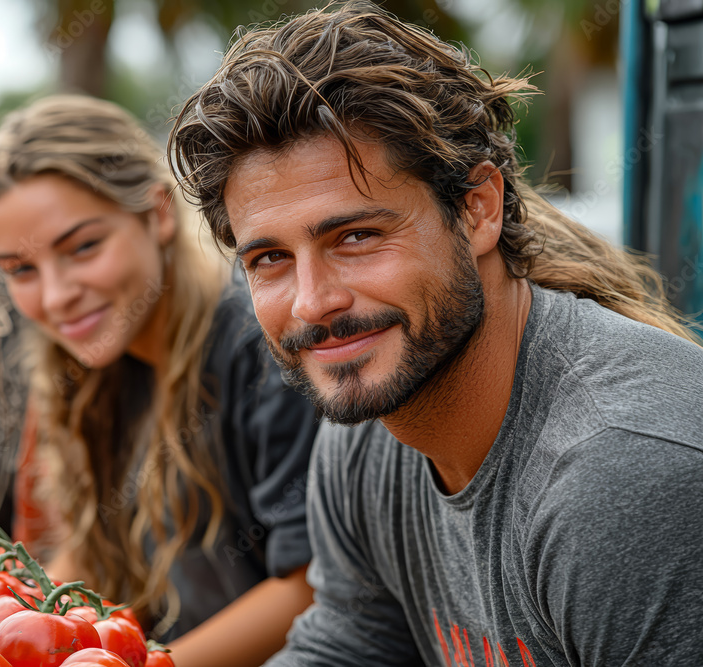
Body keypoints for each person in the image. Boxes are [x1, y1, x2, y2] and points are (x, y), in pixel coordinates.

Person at [169, 4, 703, 666]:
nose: (313, 302)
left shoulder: (620, 475)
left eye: (356, 236)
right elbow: (349, 645)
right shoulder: (363, 434)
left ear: (478, 208)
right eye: (269, 259)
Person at [0, 94, 320, 666]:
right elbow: (90, 556)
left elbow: (310, 590)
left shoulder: (258, 348)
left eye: (83, 247)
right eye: (22, 271)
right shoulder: (95, 374)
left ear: (156, 214)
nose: (56, 296)